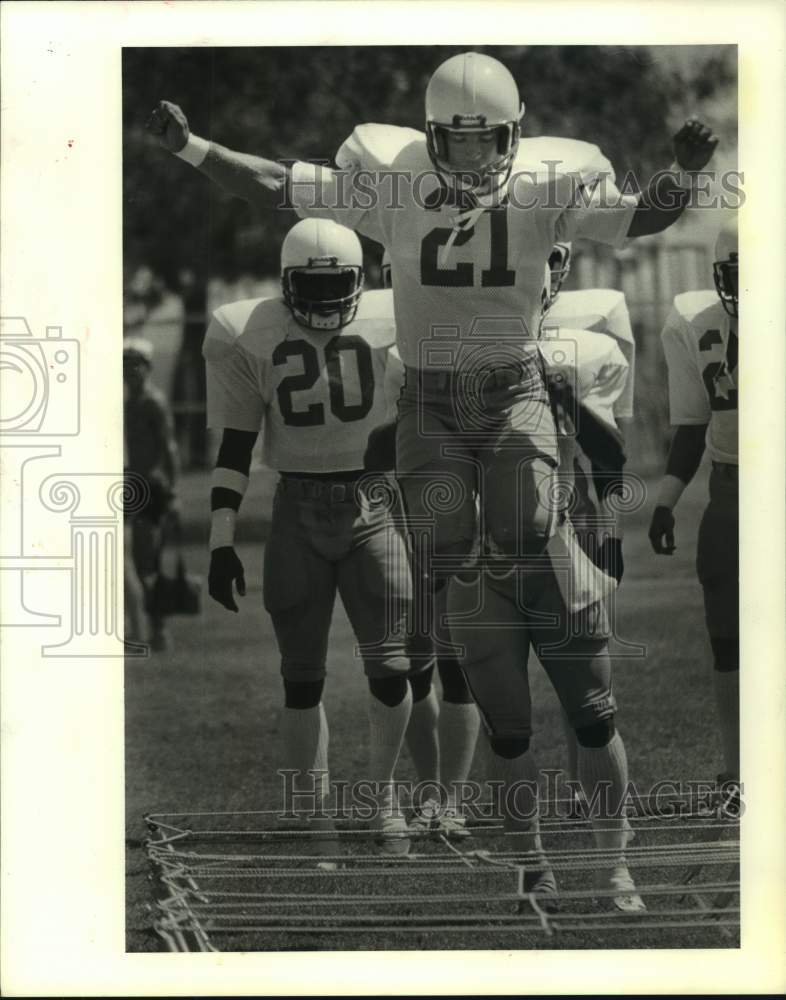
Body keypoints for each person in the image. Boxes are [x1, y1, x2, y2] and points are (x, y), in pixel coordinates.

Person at [148, 49, 718, 908]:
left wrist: (682, 172)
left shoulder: (545, 182)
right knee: (448, 564)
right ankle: (492, 735)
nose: (471, 156)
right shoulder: (390, 181)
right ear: (428, 137)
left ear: (514, 133)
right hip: (429, 398)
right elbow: (274, 184)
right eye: (455, 140)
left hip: (512, 382)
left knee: (525, 528)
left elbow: (640, 218)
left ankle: (546, 604)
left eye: (486, 139)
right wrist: (196, 149)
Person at [204, 217, 418, 857]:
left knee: (390, 667)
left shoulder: (396, 322)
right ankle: (312, 814)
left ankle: (382, 801)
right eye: (310, 286)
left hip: (371, 501)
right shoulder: (247, 334)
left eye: (337, 286)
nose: (325, 301)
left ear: (361, 281)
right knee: (301, 677)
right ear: (284, 283)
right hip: (296, 506)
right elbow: (236, 445)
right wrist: (220, 540)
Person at [648, 215, 739, 793]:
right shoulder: (693, 322)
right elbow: (691, 422)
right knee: (728, 640)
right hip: (732, 490)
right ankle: (737, 772)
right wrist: (667, 498)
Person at [123, 337, 180, 650]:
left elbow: (169, 448)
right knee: (137, 559)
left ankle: (157, 628)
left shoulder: (152, 403)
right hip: (131, 486)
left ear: (147, 368)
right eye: (126, 365)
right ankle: (146, 626)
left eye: (136, 364)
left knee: (147, 559)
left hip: (151, 487)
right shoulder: (126, 403)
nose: (131, 371)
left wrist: (173, 490)